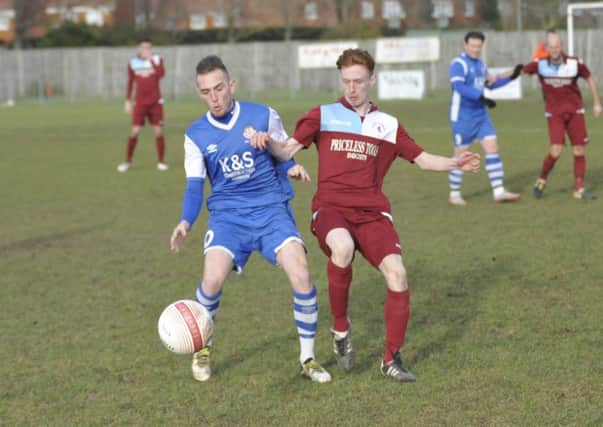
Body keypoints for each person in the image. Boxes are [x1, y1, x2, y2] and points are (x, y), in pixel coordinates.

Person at [250, 48, 480, 383]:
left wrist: (455, 162)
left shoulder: (387, 124)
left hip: (372, 212)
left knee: (398, 274)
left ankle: (391, 359)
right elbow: (285, 150)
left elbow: (422, 158)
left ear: (372, 79)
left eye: (359, 81)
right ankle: (341, 328)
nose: (352, 88)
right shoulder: (323, 115)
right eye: (346, 81)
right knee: (342, 248)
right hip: (330, 207)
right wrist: (266, 141)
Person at [169, 55, 331, 383]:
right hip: (229, 218)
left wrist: (292, 167)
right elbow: (194, 185)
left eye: (218, 88)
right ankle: (203, 347)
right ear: (199, 93)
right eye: (205, 92)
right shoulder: (196, 134)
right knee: (212, 280)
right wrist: (186, 221)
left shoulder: (262, 114)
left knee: (301, 274)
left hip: (271, 210)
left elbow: (282, 152)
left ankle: (308, 358)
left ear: (231, 85)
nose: (214, 97)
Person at [521, 32, 602, 199]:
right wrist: (498, 77)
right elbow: (520, 70)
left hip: (575, 111)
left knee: (579, 150)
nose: (554, 49)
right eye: (551, 47)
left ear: (561, 47)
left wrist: (597, 103)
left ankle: (579, 189)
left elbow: (589, 78)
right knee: (556, 151)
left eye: (557, 46)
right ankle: (542, 179)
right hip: (554, 113)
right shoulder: (540, 64)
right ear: (547, 48)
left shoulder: (574, 63)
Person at [447, 31, 523, 206]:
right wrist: (480, 97)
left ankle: (499, 191)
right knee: (460, 156)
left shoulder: (480, 64)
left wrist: (512, 76)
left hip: (481, 115)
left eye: (478, 46)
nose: (475, 49)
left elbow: (491, 83)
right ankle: (454, 194)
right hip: (463, 116)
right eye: (472, 46)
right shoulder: (458, 64)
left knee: (492, 147)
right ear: (465, 45)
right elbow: (458, 86)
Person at [117, 38, 168, 172]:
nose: (146, 50)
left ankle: (161, 162)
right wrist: (127, 101)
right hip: (139, 103)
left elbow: (161, 74)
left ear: (151, 49)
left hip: (155, 102)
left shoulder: (157, 60)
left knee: (158, 132)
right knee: (134, 132)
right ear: (139, 48)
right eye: (143, 48)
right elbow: (130, 82)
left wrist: (150, 60)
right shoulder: (133, 63)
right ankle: (127, 161)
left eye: (148, 48)